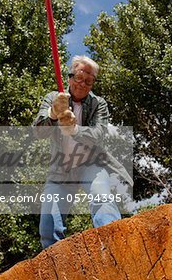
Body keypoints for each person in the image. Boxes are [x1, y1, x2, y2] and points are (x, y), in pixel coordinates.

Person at [33, 55, 131, 249]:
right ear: (69, 77)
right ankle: (56, 266)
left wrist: (75, 130)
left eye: (89, 81)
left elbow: (98, 134)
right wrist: (53, 114)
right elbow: (38, 131)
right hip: (61, 169)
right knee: (48, 223)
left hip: (90, 164)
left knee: (101, 198)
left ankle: (116, 248)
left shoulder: (98, 104)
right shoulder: (53, 98)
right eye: (78, 78)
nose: (82, 84)